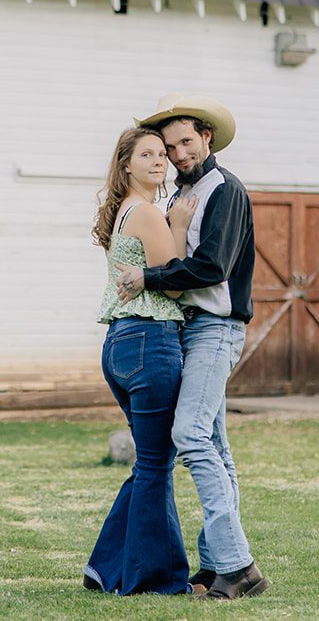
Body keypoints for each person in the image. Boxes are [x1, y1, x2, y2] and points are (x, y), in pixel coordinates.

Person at [115, 94, 270, 600]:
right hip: (190, 327)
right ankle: (216, 563)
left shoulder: (223, 189)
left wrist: (148, 277)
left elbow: (211, 268)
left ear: (206, 137)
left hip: (215, 327)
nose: (179, 154)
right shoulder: (182, 192)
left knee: (190, 435)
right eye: (170, 146)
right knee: (217, 448)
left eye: (186, 142)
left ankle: (238, 566)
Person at [83, 125, 199, 595]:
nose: (159, 161)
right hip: (150, 342)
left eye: (162, 155)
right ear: (126, 165)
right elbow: (173, 282)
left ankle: (104, 567)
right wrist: (180, 227)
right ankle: (162, 580)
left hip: (121, 344)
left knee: (149, 463)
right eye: (146, 154)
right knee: (156, 465)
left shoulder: (124, 212)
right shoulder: (149, 213)